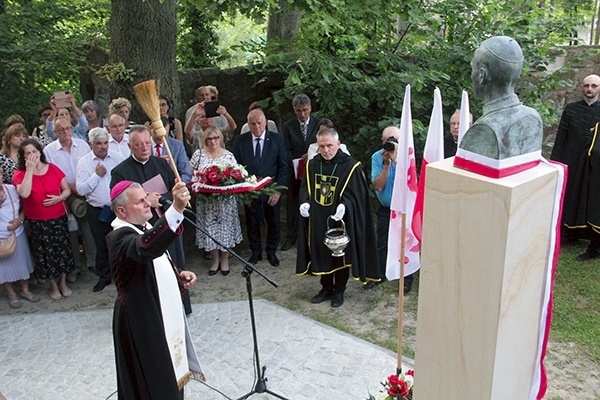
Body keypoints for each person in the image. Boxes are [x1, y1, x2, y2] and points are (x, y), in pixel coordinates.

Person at [107, 180, 202, 399]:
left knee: (168, 374)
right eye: (140, 201)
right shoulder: (119, 237)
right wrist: (176, 208)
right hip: (141, 320)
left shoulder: (144, 227)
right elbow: (146, 248)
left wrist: (177, 275)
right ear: (121, 211)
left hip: (155, 310)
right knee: (154, 381)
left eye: (145, 197)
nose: (147, 203)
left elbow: (152, 265)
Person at [110, 125, 191, 314]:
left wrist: (166, 200)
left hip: (167, 221)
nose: (145, 148)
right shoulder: (120, 172)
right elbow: (117, 202)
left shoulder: (162, 164)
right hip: (142, 229)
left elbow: (174, 191)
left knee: (174, 261)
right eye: (139, 145)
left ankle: (180, 305)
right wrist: (147, 199)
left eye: (147, 143)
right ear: (130, 147)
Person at [296, 127, 379, 308]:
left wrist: (345, 205)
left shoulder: (350, 166)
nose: (326, 150)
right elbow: (306, 189)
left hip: (339, 220)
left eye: (329, 146)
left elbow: (357, 194)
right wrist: (305, 202)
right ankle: (326, 288)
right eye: (322, 146)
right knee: (321, 251)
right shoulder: (312, 164)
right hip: (318, 218)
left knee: (339, 253)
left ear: (338, 144)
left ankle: (339, 290)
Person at [458, 36, 543, 160]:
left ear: (482, 75)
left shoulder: (484, 130)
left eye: (473, 69)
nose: (471, 75)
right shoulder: (533, 117)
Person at [13, 138, 75, 301]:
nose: (32, 155)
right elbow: (24, 193)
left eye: (34, 151)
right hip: (38, 222)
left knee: (62, 252)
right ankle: (53, 285)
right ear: (23, 157)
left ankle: (62, 283)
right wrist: (30, 171)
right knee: (45, 254)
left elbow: (67, 189)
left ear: (40, 152)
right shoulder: (20, 174)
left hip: (58, 218)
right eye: (28, 153)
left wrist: (59, 198)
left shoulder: (53, 168)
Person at [550, 74, 600, 259]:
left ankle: (588, 236)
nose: (590, 89)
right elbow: (561, 138)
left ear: (599, 88)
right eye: (586, 85)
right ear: (581, 87)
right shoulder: (571, 110)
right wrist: (555, 163)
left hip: (592, 166)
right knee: (569, 196)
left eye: (594, 86)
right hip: (571, 160)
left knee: (589, 199)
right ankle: (568, 234)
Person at [44, 116, 96, 283]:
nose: (66, 132)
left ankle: (93, 263)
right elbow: (50, 175)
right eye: (61, 130)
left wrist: (82, 185)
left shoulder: (81, 145)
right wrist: (70, 187)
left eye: (68, 128)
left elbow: (91, 165)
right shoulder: (49, 151)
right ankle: (74, 267)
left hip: (85, 190)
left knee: (88, 228)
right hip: (63, 194)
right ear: (55, 132)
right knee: (71, 231)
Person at [233, 109, 287, 266]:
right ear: (248, 124)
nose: (256, 127)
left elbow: (284, 167)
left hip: (272, 189)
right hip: (250, 191)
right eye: (252, 124)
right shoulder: (241, 141)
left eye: (259, 123)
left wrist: (278, 191)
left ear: (265, 123)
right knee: (252, 222)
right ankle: (255, 252)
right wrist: (243, 192)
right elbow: (236, 167)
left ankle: (271, 252)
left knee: (274, 222)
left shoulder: (277, 139)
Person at [76, 127, 125, 292]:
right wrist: (96, 175)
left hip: (118, 209)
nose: (103, 147)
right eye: (98, 143)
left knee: (121, 243)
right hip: (96, 210)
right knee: (101, 244)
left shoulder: (118, 158)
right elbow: (81, 190)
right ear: (91, 144)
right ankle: (104, 277)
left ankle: (123, 276)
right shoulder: (84, 162)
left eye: (105, 143)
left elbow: (127, 182)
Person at [190, 126, 243, 276]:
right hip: (206, 202)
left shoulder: (228, 155)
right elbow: (191, 175)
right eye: (209, 139)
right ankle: (214, 261)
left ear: (220, 138)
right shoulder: (198, 155)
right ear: (205, 140)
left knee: (224, 230)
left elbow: (236, 176)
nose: (213, 141)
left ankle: (225, 260)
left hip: (225, 202)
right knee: (210, 230)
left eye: (215, 138)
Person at [366, 126, 414, 293]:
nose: (392, 143)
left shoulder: (408, 155)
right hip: (386, 208)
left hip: (404, 208)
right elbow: (378, 186)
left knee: (405, 243)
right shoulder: (376, 157)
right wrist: (386, 164)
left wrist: (397, 160)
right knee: (382, 242)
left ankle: (406, 279)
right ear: (382, 141)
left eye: (395, 140)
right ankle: (379, 274)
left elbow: (410, 182)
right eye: (389, 140)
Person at [281, 94, 321, 251]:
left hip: (315, 170)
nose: (303, 114)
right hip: (295, 170)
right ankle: (291, 236)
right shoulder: (288, 126)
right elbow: (285, 148)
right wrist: (297, 160)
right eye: (299, 111)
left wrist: (310, 154)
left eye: (305, 110)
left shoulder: (318, 124)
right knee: (293, 203)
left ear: (310, 108)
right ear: (294, 110)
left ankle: (312, 237)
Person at [0, 168, 39, 309]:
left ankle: (25, 290)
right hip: (1, 237)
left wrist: (20, 220)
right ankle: (11, 294)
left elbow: (24, 207)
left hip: (17, 232)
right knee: (4, 267)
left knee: (22, 262)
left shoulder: (11, 189)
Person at [149, 117, 192, 183]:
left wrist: (177, 184)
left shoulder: (177, 146)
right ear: (151, 129)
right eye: (156, 133)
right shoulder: (142, 145)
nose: (161, 137)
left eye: (165, 133)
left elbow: (186, 173)